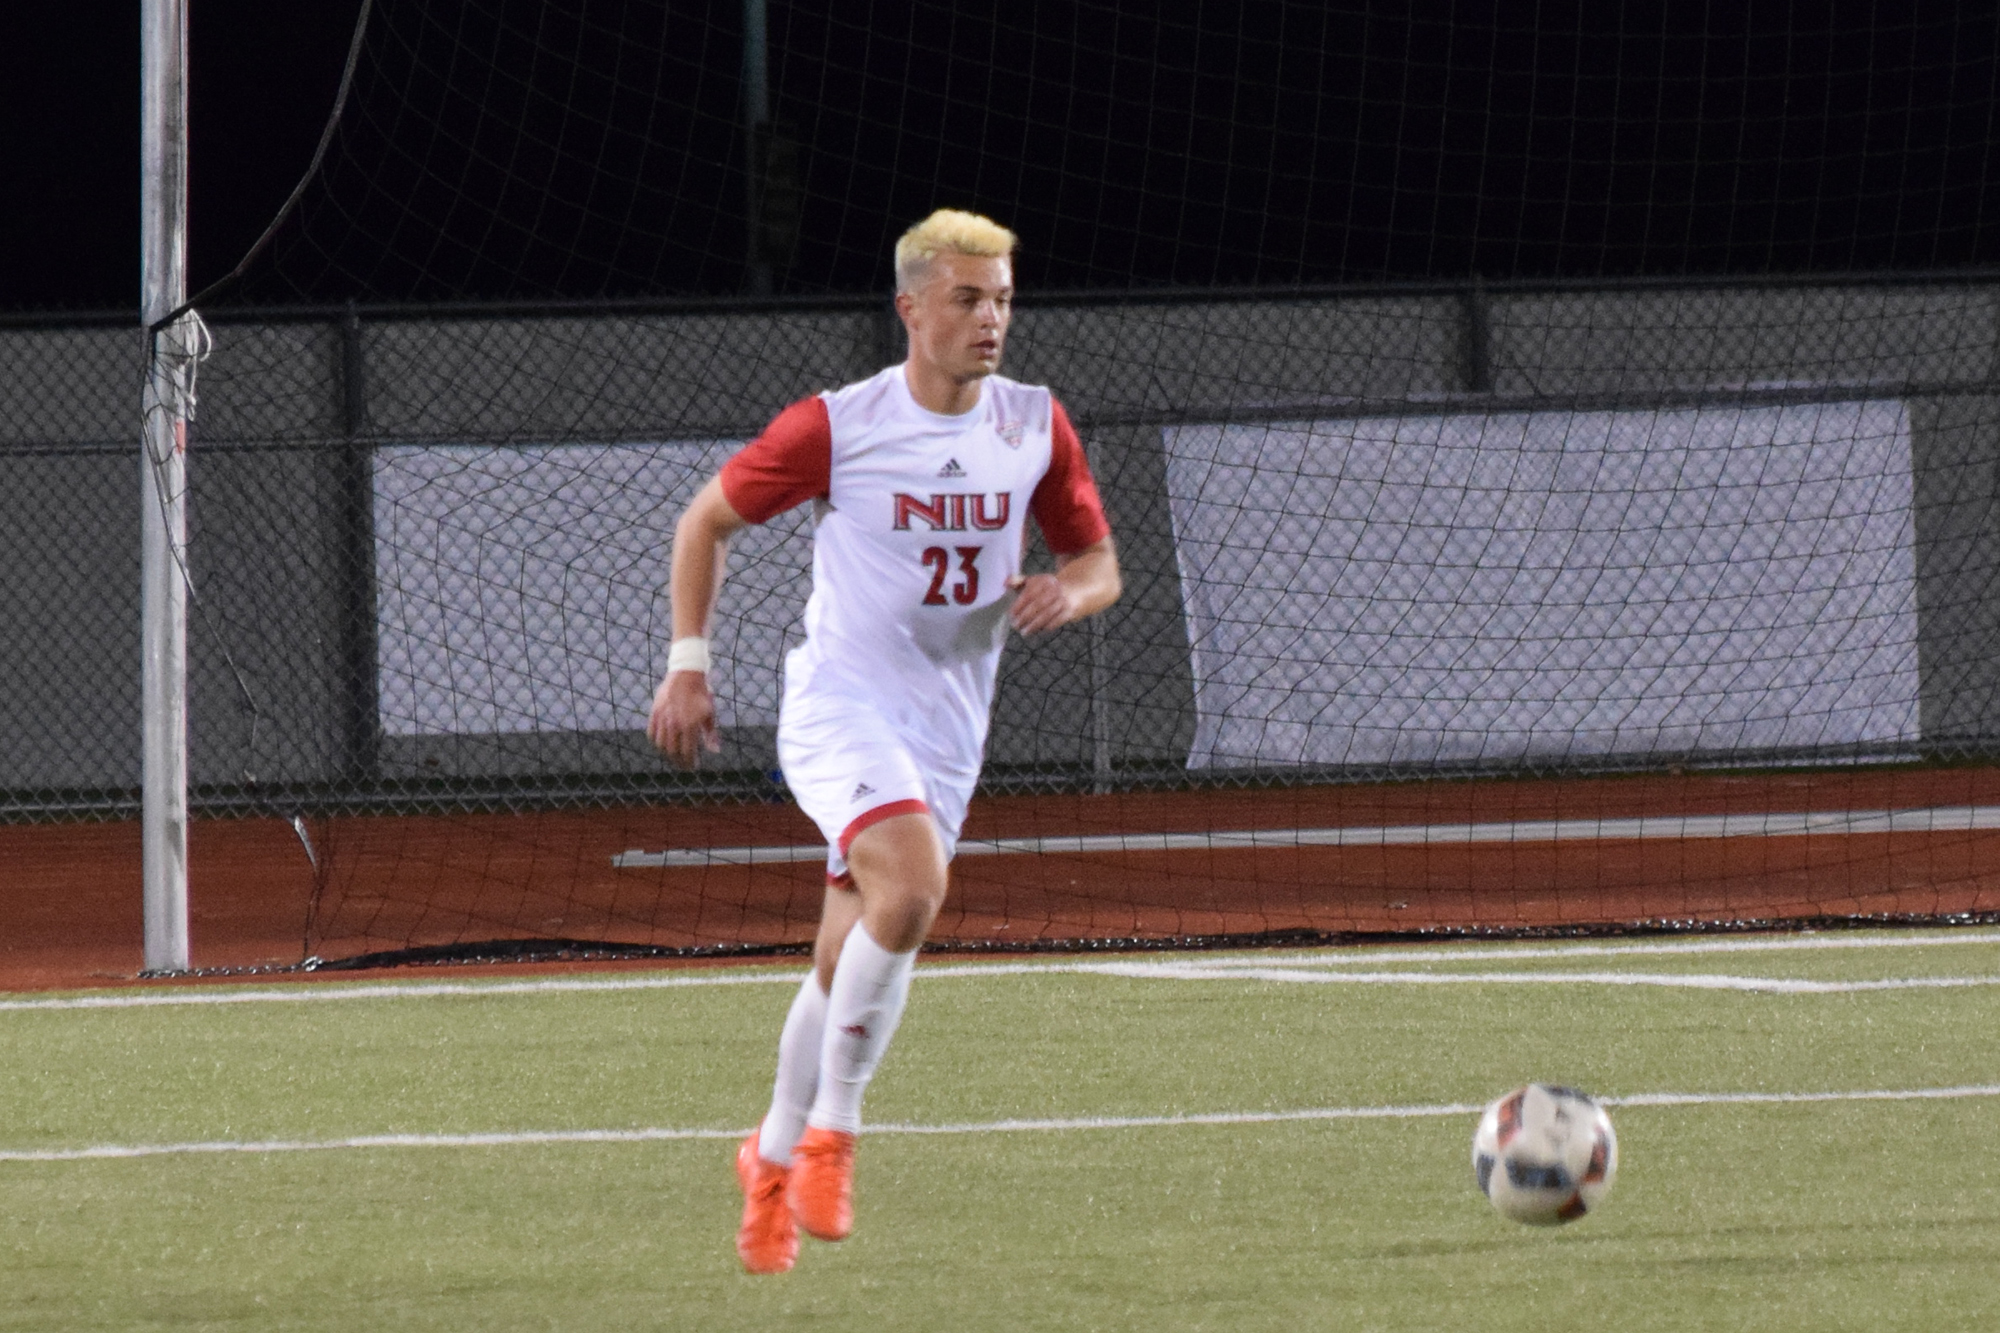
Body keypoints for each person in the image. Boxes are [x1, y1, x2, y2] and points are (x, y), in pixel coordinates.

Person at [646, 208, 1121, 1274]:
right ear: (910, 308)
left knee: (843, 956)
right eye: (966, 298)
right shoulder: (837, 424)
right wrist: (689, 661)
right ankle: (833, 1136)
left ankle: (765, 1162)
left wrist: (1066, 591)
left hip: (949, 724)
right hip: (839, 703)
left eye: (1001, 297)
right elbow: (704, 521)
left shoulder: (1034, 424)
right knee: (911, 888)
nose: (989, 318)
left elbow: (1098, 562)